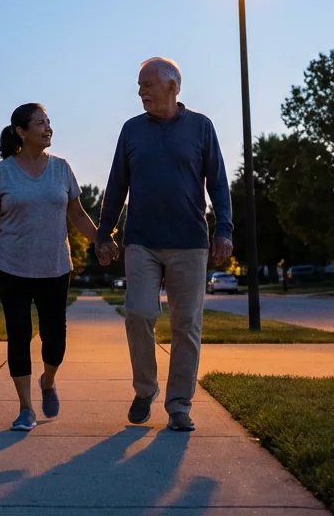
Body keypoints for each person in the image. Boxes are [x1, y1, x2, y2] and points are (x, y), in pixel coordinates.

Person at [96, 57, 233, 432]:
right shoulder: (132, 130)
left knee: (186, 324)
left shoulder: (201, 127)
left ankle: (178, 406)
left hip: (189, 242)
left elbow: (218, 182)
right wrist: (103, 232)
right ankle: (145, 389)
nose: (141, 91)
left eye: (147, 84)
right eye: (140, 85)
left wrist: (224, 228)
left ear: (173, 86)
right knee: (139, 313)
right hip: (140, 240)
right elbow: (116, 185)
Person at [0, 103, 100, 432]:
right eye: (40, 123)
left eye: (49, 123)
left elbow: (77, 214)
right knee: (18, 336)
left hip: (54, 267)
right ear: (21, 131)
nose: (48, 128)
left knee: (54, 338)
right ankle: (25, 408)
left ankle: (48, 381)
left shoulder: (61, 169)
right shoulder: (1, 172)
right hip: (10, 266)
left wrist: (102, 240)